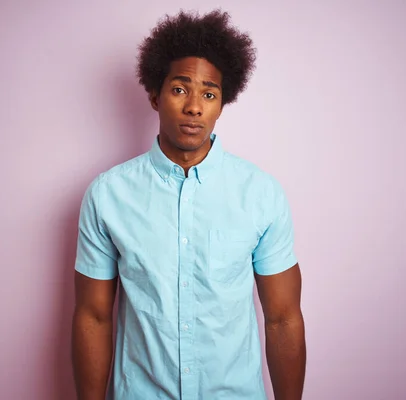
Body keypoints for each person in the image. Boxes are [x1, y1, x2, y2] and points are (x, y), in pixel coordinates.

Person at [72, 9, 306, 400]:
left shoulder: (261, 194)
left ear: (221, 103)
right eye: (180, 89)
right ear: (154, 94)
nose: (195, 106)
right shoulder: (107, 196)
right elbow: (93, 318)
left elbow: (283, 319)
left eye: (209, 94)